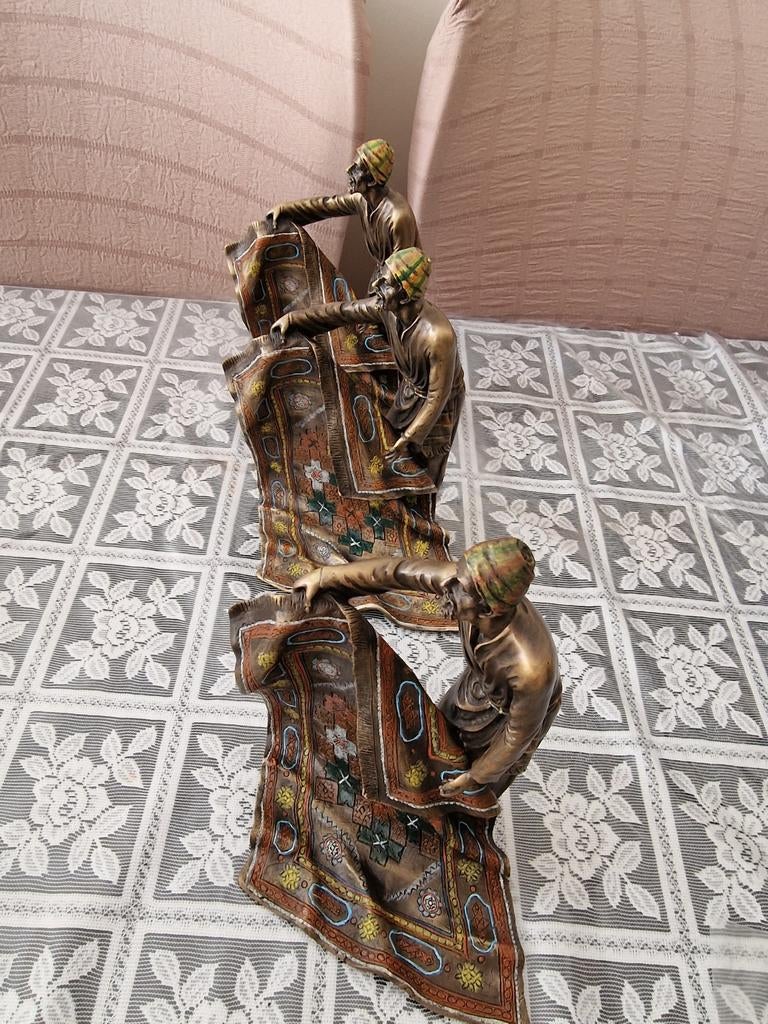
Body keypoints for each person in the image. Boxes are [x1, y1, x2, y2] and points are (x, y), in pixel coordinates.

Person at [292, 537, 561, 797]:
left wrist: (477, 775)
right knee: (439, 739)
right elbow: (395, 571)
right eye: (457, 573)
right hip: (478, 682)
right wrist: (324, 576)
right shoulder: (461, 584)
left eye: (461, 587)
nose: (448, 585)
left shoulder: (532, 672)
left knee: (475, 788)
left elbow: (517, 735)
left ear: (488, 610)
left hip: (516, 713)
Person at [271, 246, 464, 489]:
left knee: (426, 469)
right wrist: (293, 318)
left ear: (405, 295)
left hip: (440, 409)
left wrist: (410, 436)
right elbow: (343, 311)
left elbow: (437, 396)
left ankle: (425, 510)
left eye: (386, 283)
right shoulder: (387, 310)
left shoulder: (438, 337)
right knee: (391, 455)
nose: (375, 286)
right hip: (410, 394)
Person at [266, 139, 419, 280]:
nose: (348, 170)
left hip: (396, 291)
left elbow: (404, 275)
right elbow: (326, 205)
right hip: (380, 281)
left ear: (372, 180)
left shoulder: (398, 218)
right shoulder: (362, 200)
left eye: (357, 169)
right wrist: (285, 209)